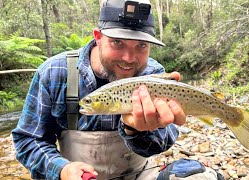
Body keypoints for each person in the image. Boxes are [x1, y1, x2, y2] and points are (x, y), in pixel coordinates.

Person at [12, 0, 186, 179]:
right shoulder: (53, 72)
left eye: (141, 45)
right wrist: (61, 170)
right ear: (98, 37)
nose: (129, 58)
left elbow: (161, 144)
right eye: (118, 42)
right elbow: (28, 140)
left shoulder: (154, 75)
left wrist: (135, 131)